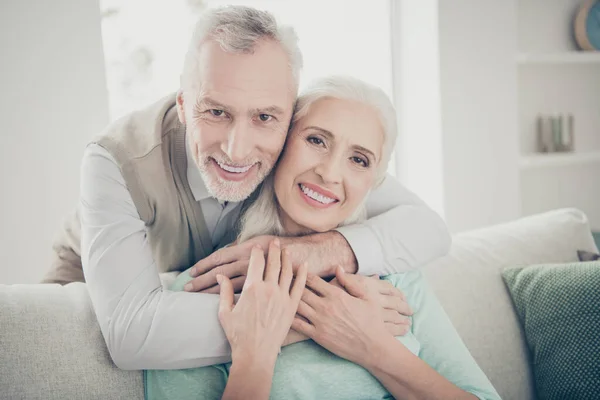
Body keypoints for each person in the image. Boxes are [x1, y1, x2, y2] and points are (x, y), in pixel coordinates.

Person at [43, 5, 450, 370]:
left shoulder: (304, 148)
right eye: (216, 112)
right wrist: (331, 316)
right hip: (85, 299)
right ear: (184, 104)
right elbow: (132, 335)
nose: (237, 150)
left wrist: (319, 251)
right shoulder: (113, 159)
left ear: (291, 116)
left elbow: (430, 229)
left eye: (265, 118)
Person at [144, 76, 501, 400]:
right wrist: (255, 356)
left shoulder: (396, 276)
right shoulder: (205, 290)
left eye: (359, 160)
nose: (330, 173)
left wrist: (372, 347)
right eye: (316, 140)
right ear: (280, 143)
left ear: (373, 183)